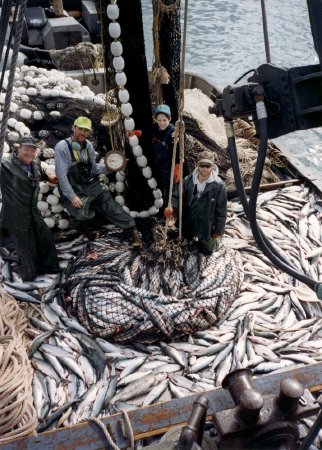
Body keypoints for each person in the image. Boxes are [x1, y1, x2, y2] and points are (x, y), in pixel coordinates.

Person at [54, 116, 142, 246]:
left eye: (86, 130)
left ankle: (132, 230)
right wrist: (72, 196)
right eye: (80, 129)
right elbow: (61, 175)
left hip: (91, 183)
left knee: (111, 207)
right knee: (80, 216)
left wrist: (113, 167)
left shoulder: (88, 145)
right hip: (74, 187)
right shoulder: (62, 147)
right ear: (74, 128)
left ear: (89, 133)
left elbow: (94, 169)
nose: (83, 133)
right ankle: (88, 231)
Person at [0, 137, 60, 281]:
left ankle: (50, 268)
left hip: (33, 210)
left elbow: (38, 174)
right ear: (19, 148)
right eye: (26, 149)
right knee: (26, 247)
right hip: (16, 214)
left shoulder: (35, 162)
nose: (30, 153)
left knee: (45, 237)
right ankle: (29, 277)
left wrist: (49, 178)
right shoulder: (5, 164)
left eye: (33, 149)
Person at [164, 150, 227, 255]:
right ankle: (188, 233)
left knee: (208, 250)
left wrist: (218, 231)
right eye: (202, 165)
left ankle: (212, 240)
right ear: (197, 165)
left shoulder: (219, 185)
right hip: (189, 220)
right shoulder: (187, 180)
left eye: (208, 166)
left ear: (213, 166)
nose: (205, 169)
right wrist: (171, 208)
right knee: (181, 243)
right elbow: (176, 197)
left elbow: (222, 211)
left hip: (207, 223)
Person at [151, 104, 180, 204]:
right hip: (158, 164)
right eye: (159, 120)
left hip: (168, 167)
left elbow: (179, 151)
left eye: (164, 120)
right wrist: (138, 133)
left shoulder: (173, 132)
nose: (162, 123)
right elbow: (147, 133)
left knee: (168, 188)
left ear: (170, 119)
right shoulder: (156, 129)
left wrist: (178, 166)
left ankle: (169, 209)